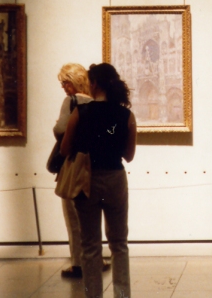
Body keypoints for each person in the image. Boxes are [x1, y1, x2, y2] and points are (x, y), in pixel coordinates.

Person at [61, 63, 137, 298]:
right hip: (115, 178)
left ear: (93, 84)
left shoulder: (80, 112)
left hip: (87, 179)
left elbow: (65, 148)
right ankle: (122, 295)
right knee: (119, 244)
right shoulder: (126, 115)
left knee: (90, 246)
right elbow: (129, 155)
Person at [53, 63, 95, 279]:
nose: (63, 87)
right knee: (92, 218)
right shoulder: (95, 101)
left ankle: (78, 263)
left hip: (72, 164)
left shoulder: (71, 101)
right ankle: (95, 260)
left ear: (74, 82)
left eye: (65, 82)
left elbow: (60, 129)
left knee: (72, 216)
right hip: (93, 165)